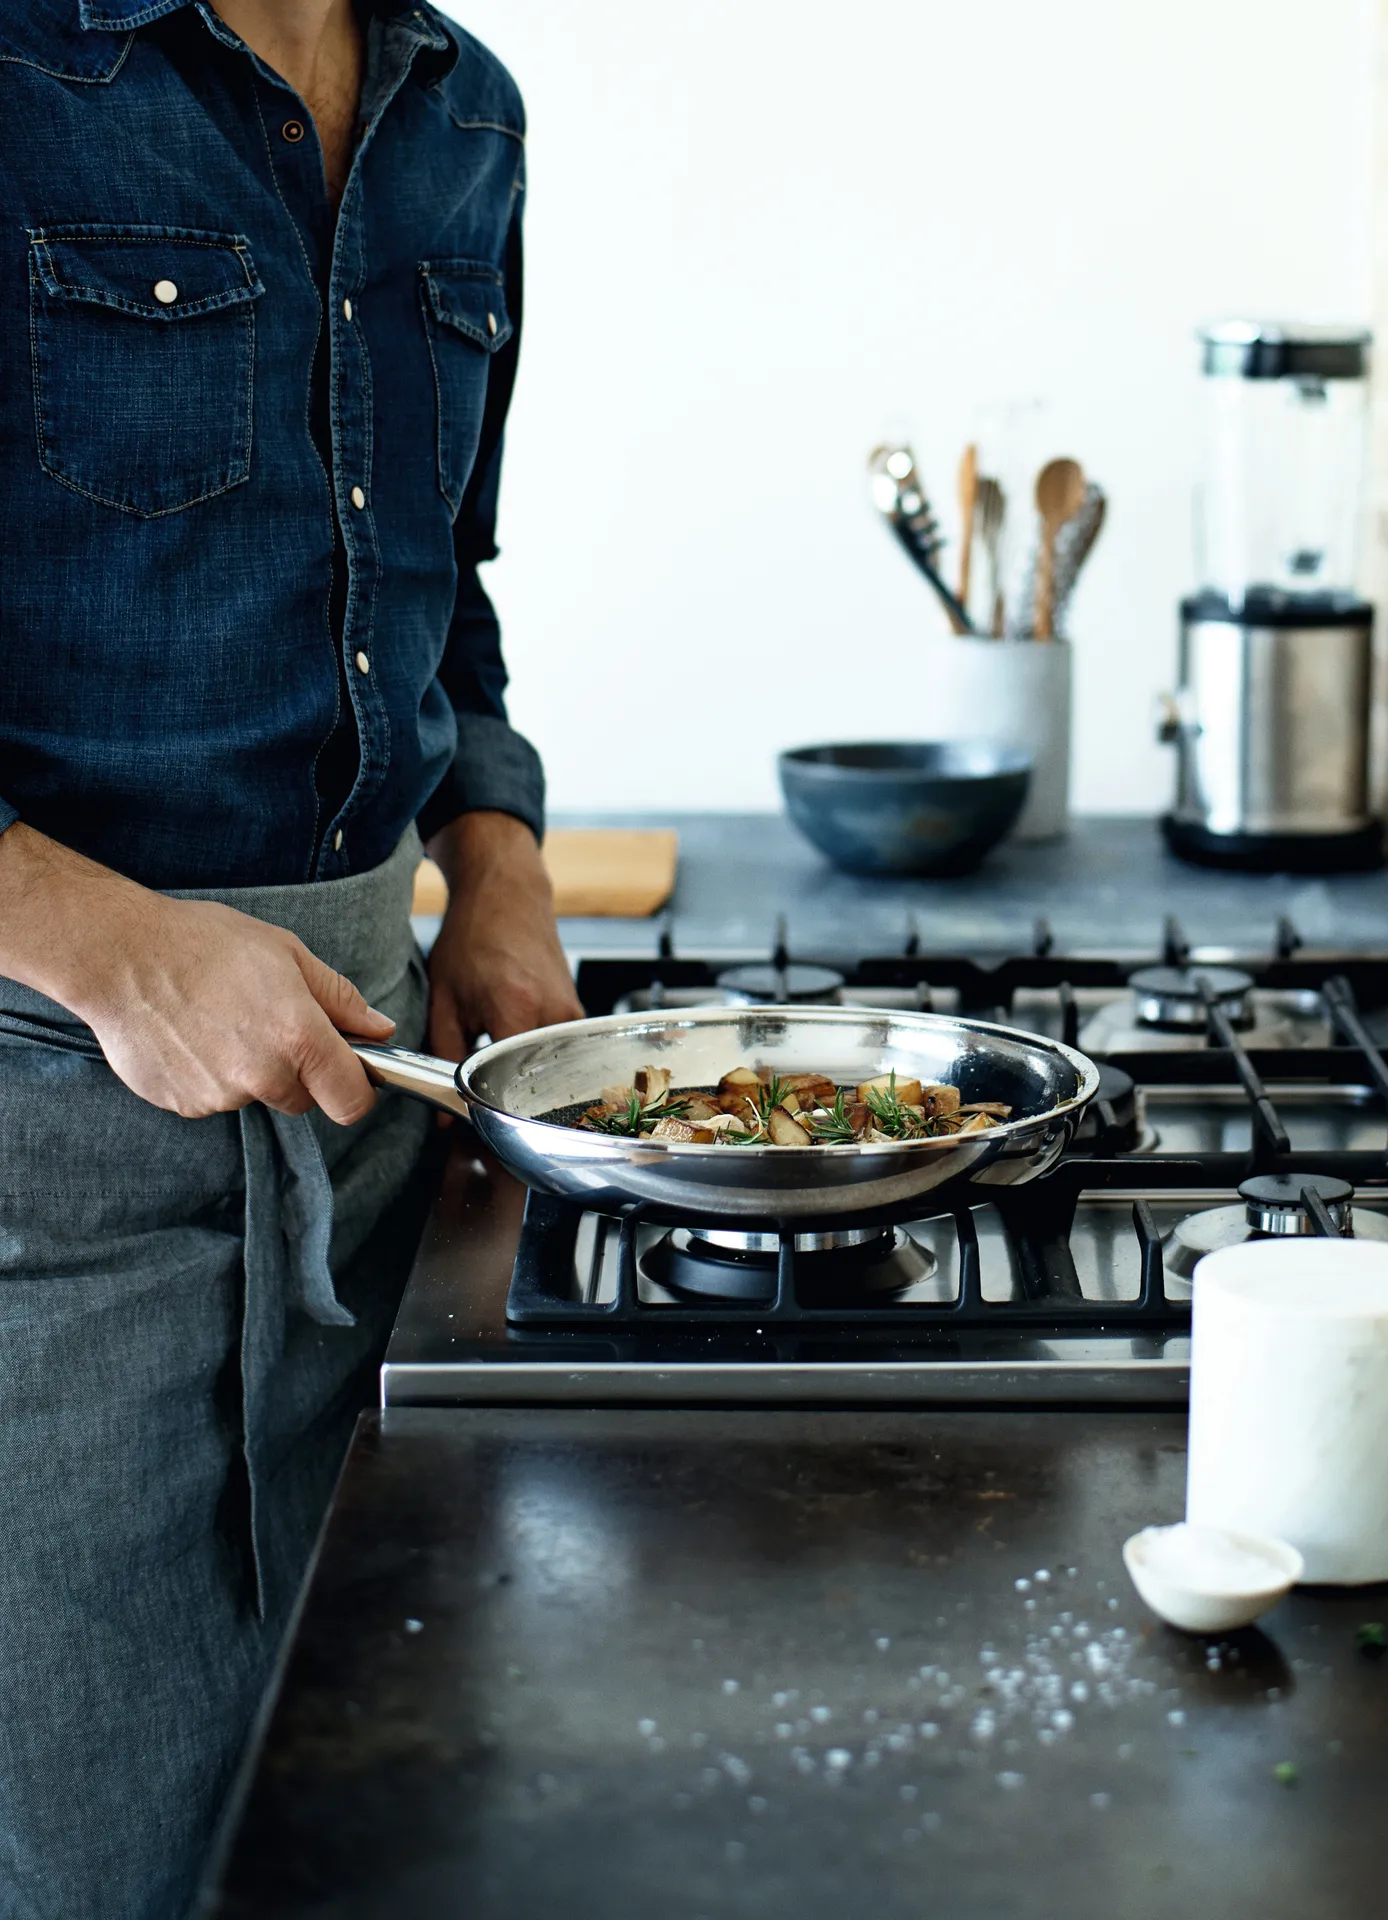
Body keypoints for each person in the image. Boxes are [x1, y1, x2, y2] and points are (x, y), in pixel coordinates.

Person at [0, 1, 581, 1911]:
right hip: (44, 1155)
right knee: (116, 1862)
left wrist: (493, 857)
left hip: (370, 1122)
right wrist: (108, 943)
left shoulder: (464, 111)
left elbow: (444, 577)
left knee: (374, 1837)